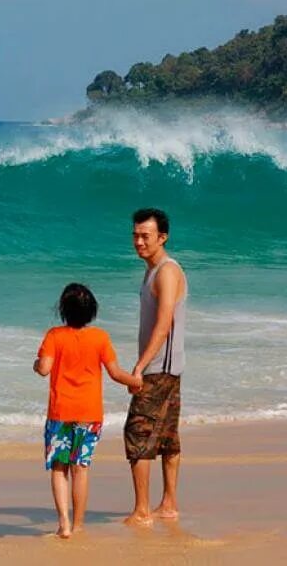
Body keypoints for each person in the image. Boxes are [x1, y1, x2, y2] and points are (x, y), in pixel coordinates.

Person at [33, 283, 141, 539]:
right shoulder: (100, 338)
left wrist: (36, 363)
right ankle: (79, 523)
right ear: (91, 311)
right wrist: (136, 382)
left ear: (63, 310)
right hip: (89, 414)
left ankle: (64, 524)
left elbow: (44, 369)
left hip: (60, 413)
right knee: (80, 467)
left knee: (60, 468)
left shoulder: (54, 335)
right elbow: (115, 373)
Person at [124, 208, 188, 526]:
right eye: (135, 235)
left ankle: (141, 510)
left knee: (138, 433)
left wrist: (139, 366)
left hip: (159, 369)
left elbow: (164, 325)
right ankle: (169, 504)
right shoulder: (152, 270)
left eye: (145, 236)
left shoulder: (166, 271)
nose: (138, 241)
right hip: (167, 368)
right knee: (166, 437)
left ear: (162, 237)